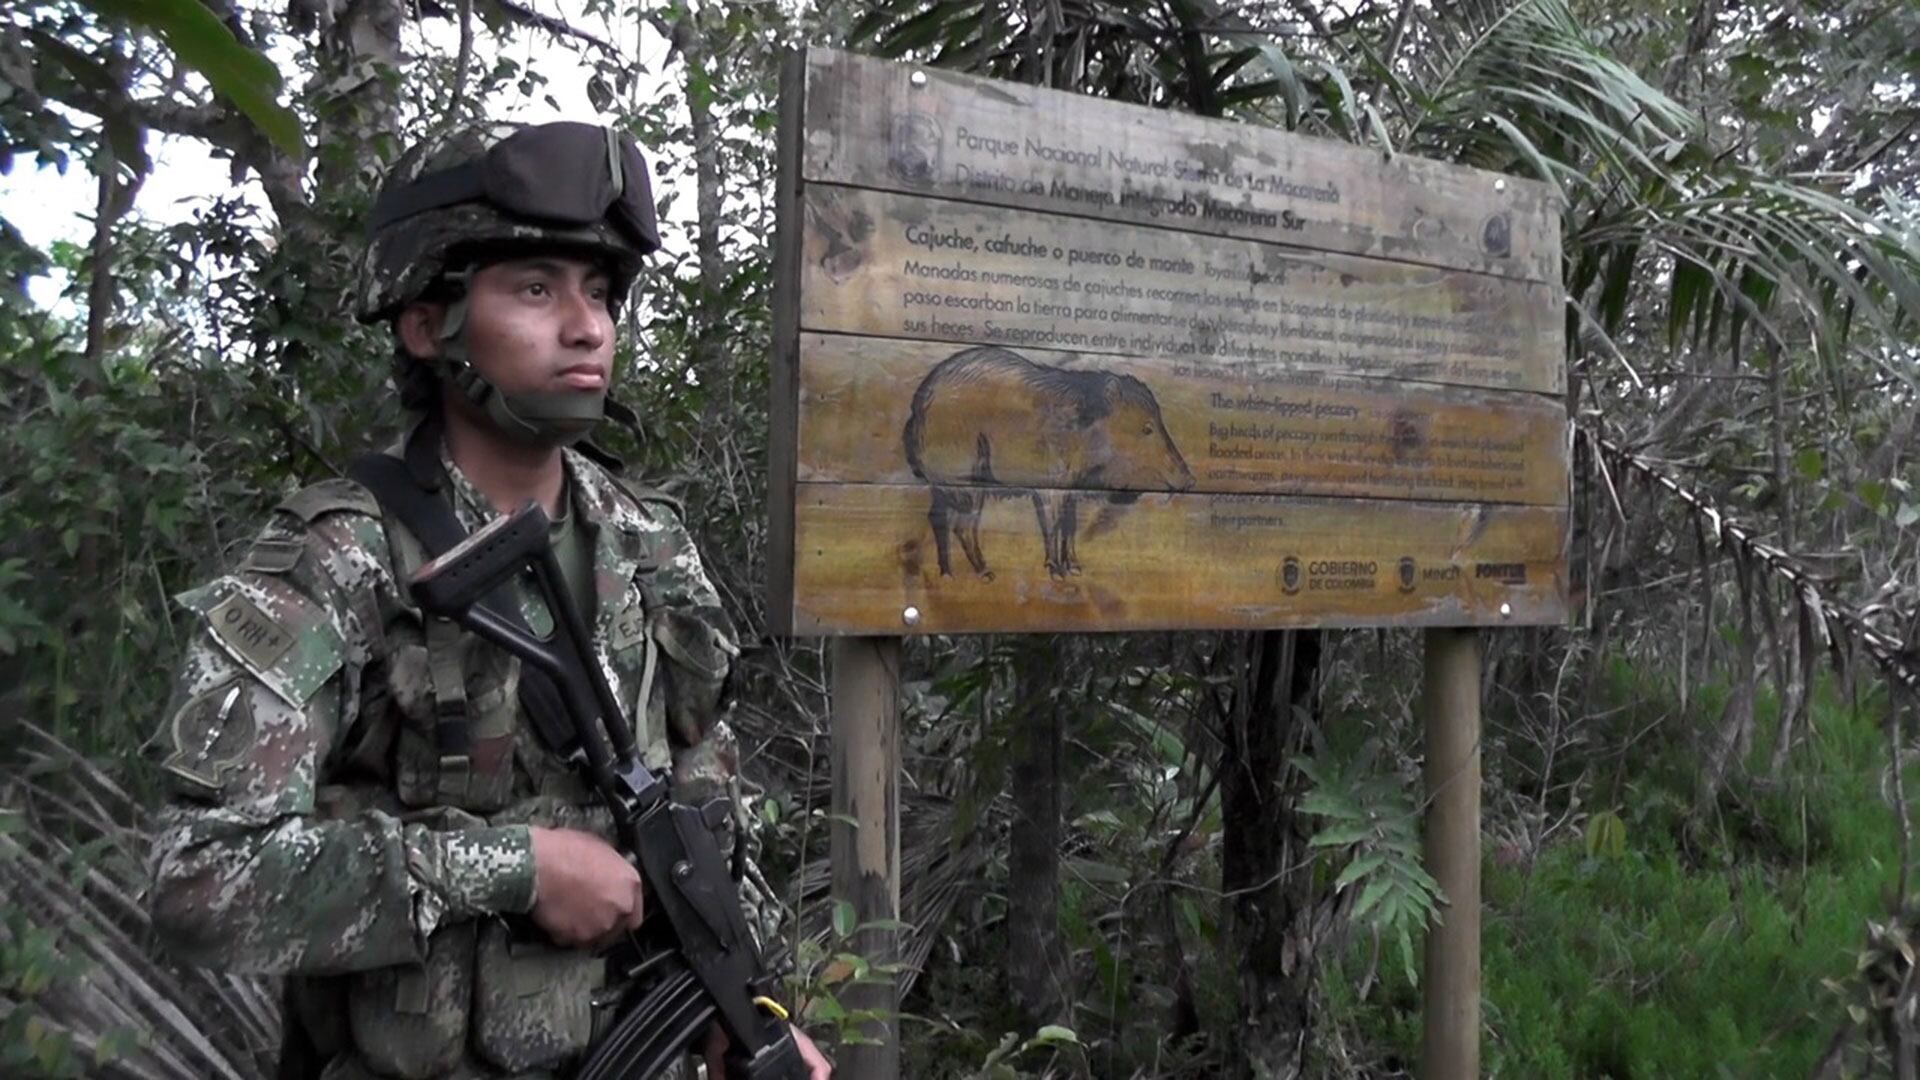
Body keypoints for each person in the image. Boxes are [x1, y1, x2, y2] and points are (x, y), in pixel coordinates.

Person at [144, 120, 830, 1080]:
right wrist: (513, 868)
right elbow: (198, 880)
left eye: (599, 292)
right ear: (429, 324)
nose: (587, 326)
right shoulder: (337, 560)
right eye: (536, 288)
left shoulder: (649, 541)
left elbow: (710, 816)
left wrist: (745, 1009)